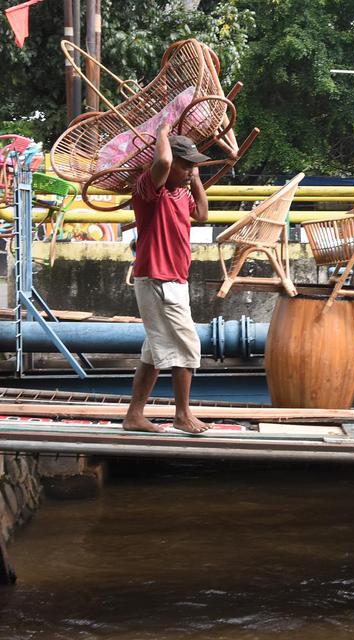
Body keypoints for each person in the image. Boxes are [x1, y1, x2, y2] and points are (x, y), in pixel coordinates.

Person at [122, 123, 211, 434]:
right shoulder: (148, 189)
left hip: (173, 279)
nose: (189, 171)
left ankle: (134, 415)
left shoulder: (178, 193)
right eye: (185, 164)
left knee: (153, 352)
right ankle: (182, 414)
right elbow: (161, 163)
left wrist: (195, 177)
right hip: (158, 279)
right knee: (187, 345)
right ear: (171, 161)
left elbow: (202, 213)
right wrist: (161, 132)